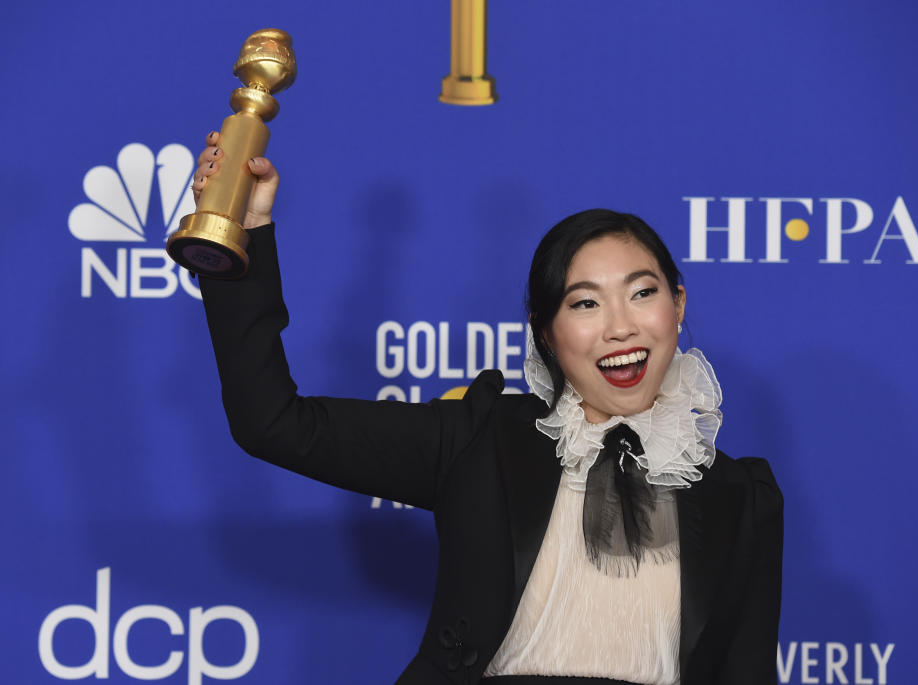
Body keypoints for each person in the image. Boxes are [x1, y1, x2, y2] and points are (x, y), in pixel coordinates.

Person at [193, 132, 783, 685]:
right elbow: (271, 422)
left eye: (642, 292)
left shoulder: (742, 496)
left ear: (678, 305)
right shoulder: (480, 438)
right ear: (546, 334)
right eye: (584, 304)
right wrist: (242, 233)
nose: (620, 327)